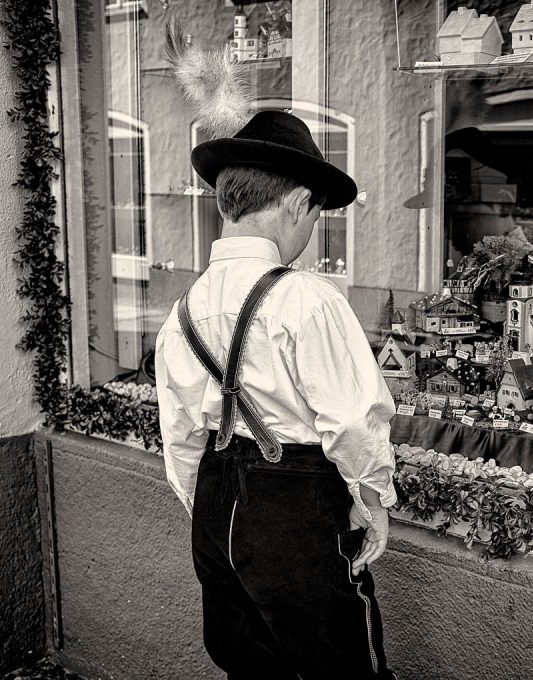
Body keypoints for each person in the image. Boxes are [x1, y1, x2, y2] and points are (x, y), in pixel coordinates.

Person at [155, 110, 398, 679]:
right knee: (341, 666)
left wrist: (215, 512)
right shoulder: (307, 300)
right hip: (296, 511)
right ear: (296, 204)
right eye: (315, 215)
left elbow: (181, 440)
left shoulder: (184, 310)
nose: (311, 232)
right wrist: (373, 502)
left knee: (251, 665)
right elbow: (353, 423)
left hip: (216, 509)